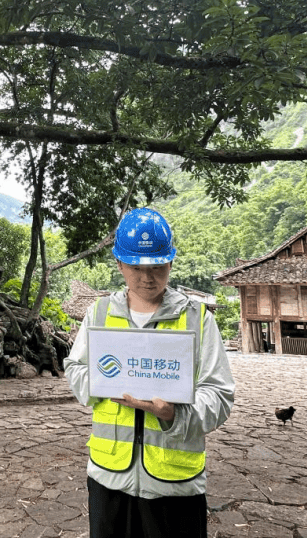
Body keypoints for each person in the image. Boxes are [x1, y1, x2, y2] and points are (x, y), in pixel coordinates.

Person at [64, 207, 235, 538]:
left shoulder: (197, 319)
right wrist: (101, 384)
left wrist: (174, 415)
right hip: (108, 478)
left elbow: (219, 395)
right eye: (136, 267)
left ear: (171, 262)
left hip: (174, 487)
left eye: (157, 267)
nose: (147, 277)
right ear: (119, 264)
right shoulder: (98, 314)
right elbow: (76, 368)